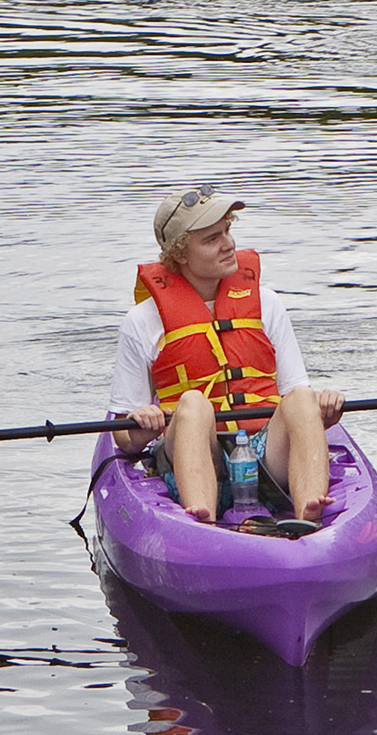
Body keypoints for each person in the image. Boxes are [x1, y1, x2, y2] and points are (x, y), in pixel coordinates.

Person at [109, 189, 346, 532]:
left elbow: (298, 400)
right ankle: (201, 520)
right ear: (181, 254)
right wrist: (143, 424)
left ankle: (309, 513)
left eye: (228, 231)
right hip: (192, 455)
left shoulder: (266, 303)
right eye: (211, 239)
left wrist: (324, 410)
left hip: (264, 453)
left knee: (302, 398)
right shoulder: (142, 321)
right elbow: (125, 439)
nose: (228, 244)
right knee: (192, 403)